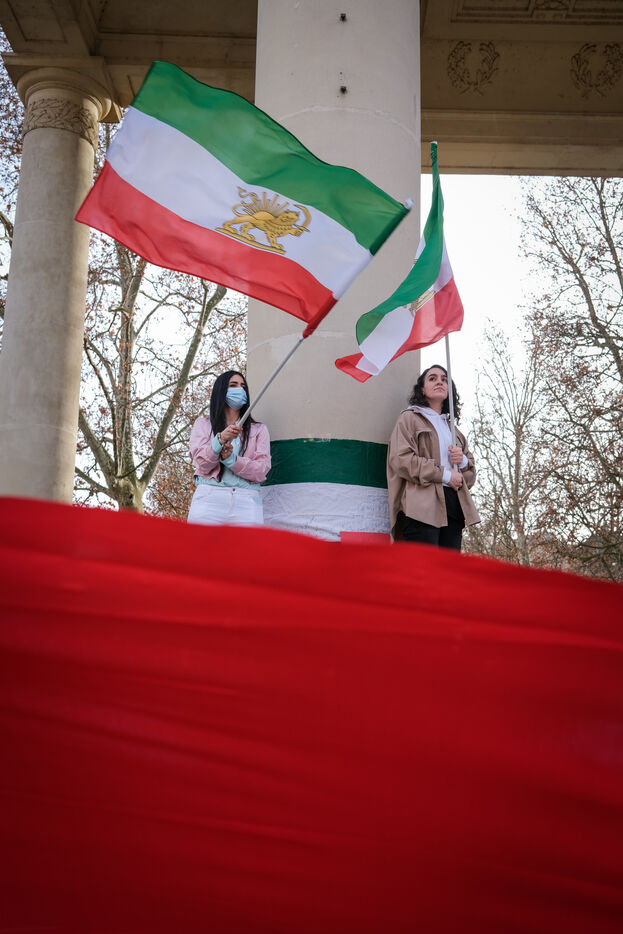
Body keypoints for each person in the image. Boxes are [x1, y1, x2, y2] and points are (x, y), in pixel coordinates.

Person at [387, 364, 479, 549]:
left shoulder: (454, 431)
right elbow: (401, 459)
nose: (439, 382)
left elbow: (470, 475)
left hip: (454, 507)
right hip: (421, 506)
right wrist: (445, 475)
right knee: (424, 566)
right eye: (432, 378)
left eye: (444, 379)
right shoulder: (409, 418)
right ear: (422, 389)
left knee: (448, 567)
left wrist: (462, 461)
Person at [188, 370, 271, 526]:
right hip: (209, 499)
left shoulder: (259, 429)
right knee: (201, 542)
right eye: (233, 385)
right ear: (221, 390)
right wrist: (219, 440)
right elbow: (202, 465)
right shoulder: (203, 424)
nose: (240, 390)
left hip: (247, 501)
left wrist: (232, 460)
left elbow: (261, 470)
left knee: (248, 543)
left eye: (243, 386)